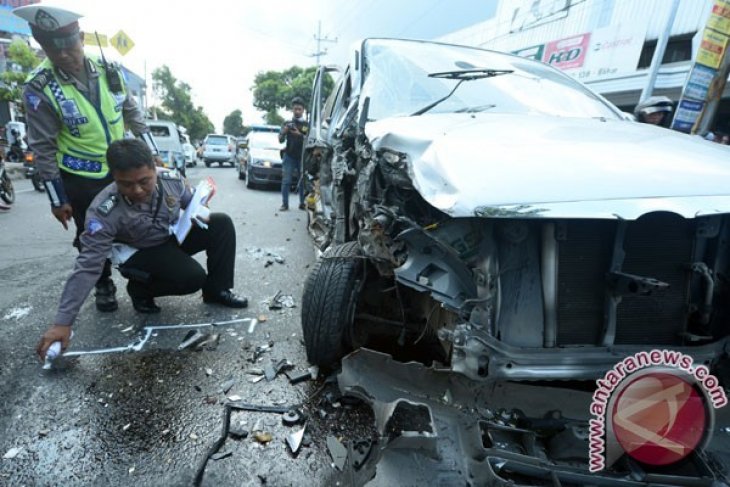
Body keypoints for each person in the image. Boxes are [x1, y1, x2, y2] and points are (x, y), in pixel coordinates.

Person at [36, 139, 248, 361]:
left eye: (144, 181)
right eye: (126, 184)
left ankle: (217, 290)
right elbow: (87, 267)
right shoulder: (103, 211)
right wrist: (63, 322)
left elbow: (192, 202)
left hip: (168, 237)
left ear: (154, 168)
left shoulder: (171, 180)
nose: (136, 190)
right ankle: (140, 289)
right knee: (193, 277)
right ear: (114, 177)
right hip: (139, 252)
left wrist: (200, 210)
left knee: (221, 223)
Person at [14, 5, 161, 314]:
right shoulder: (38, 88)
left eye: (69, 44)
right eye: (52, 48)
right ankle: (103, 282)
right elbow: (42, 146)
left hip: (121, 169)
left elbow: (133, 115)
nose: (64, 54)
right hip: (81, 177)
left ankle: (143, 283)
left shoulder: (109, 71)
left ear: (80, 37)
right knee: (91, 234)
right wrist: (57, 198)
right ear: (42, 46)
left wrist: (152, 155)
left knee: (141, 225)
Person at [278, 97, 308, 211]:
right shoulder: (287, 123)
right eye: (295, 109)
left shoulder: (306, 124)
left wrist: (300, 135)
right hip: (289, 155)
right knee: (286, 181)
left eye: (299, 109)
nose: (297, 111)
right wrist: (284, 131)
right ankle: (285, 204)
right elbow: (280, 139)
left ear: (303, 110)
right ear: (292, 109)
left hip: (302, 157)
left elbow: (310, 140)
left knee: (302, 181)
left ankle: (302, 203)